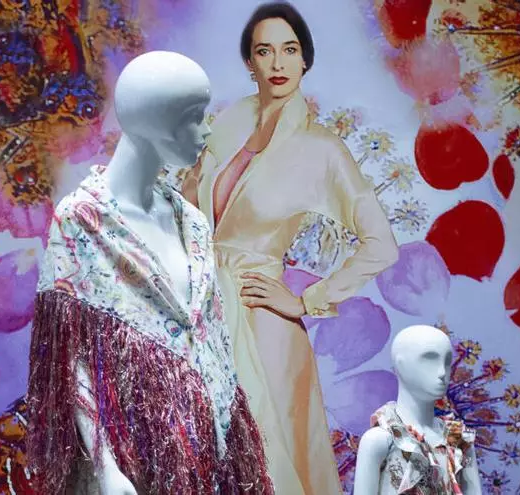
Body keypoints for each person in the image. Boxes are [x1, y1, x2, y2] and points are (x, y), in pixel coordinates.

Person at [26, 51, 272, 494]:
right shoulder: (82, 220)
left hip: (215, 448)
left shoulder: (191, 222)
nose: (208, 130)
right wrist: (104, 466)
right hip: (136, 454)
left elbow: (210, 336)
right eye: (194, 117)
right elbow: (68, 358)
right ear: (154, 122)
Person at [182, 2, 399, 493]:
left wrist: (305, 300)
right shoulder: (222, 131)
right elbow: (187, 213)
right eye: (265, 51)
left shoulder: (322, 149)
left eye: (290, 50)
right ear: (249, 62)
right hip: (201, 312)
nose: (278, 63)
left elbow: (381, 245)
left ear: (306, 60)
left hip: (264, 325)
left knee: (269, 464)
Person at [354, 325, 481, 495]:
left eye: (447, 361)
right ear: (401, 365)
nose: (442, 372)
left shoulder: (459, 440)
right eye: (429, 359)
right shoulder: (380, 440)